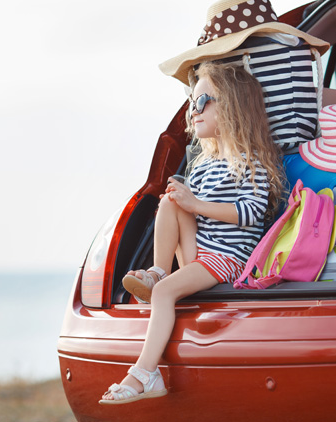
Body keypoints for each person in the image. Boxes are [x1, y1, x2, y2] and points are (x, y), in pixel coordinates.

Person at [98, 61, 285, 405]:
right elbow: (188, 210)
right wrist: (185, 201)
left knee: (165, 294)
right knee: (169, 202)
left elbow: (249, 213)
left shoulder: (251, 162)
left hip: (227, 258)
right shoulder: (202, 164)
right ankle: (158, 271)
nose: (193, 112)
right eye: (190, 102)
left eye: (201, 102)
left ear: (232, 108)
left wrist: (195, 204)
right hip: (201, 253)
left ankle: (144, 374)